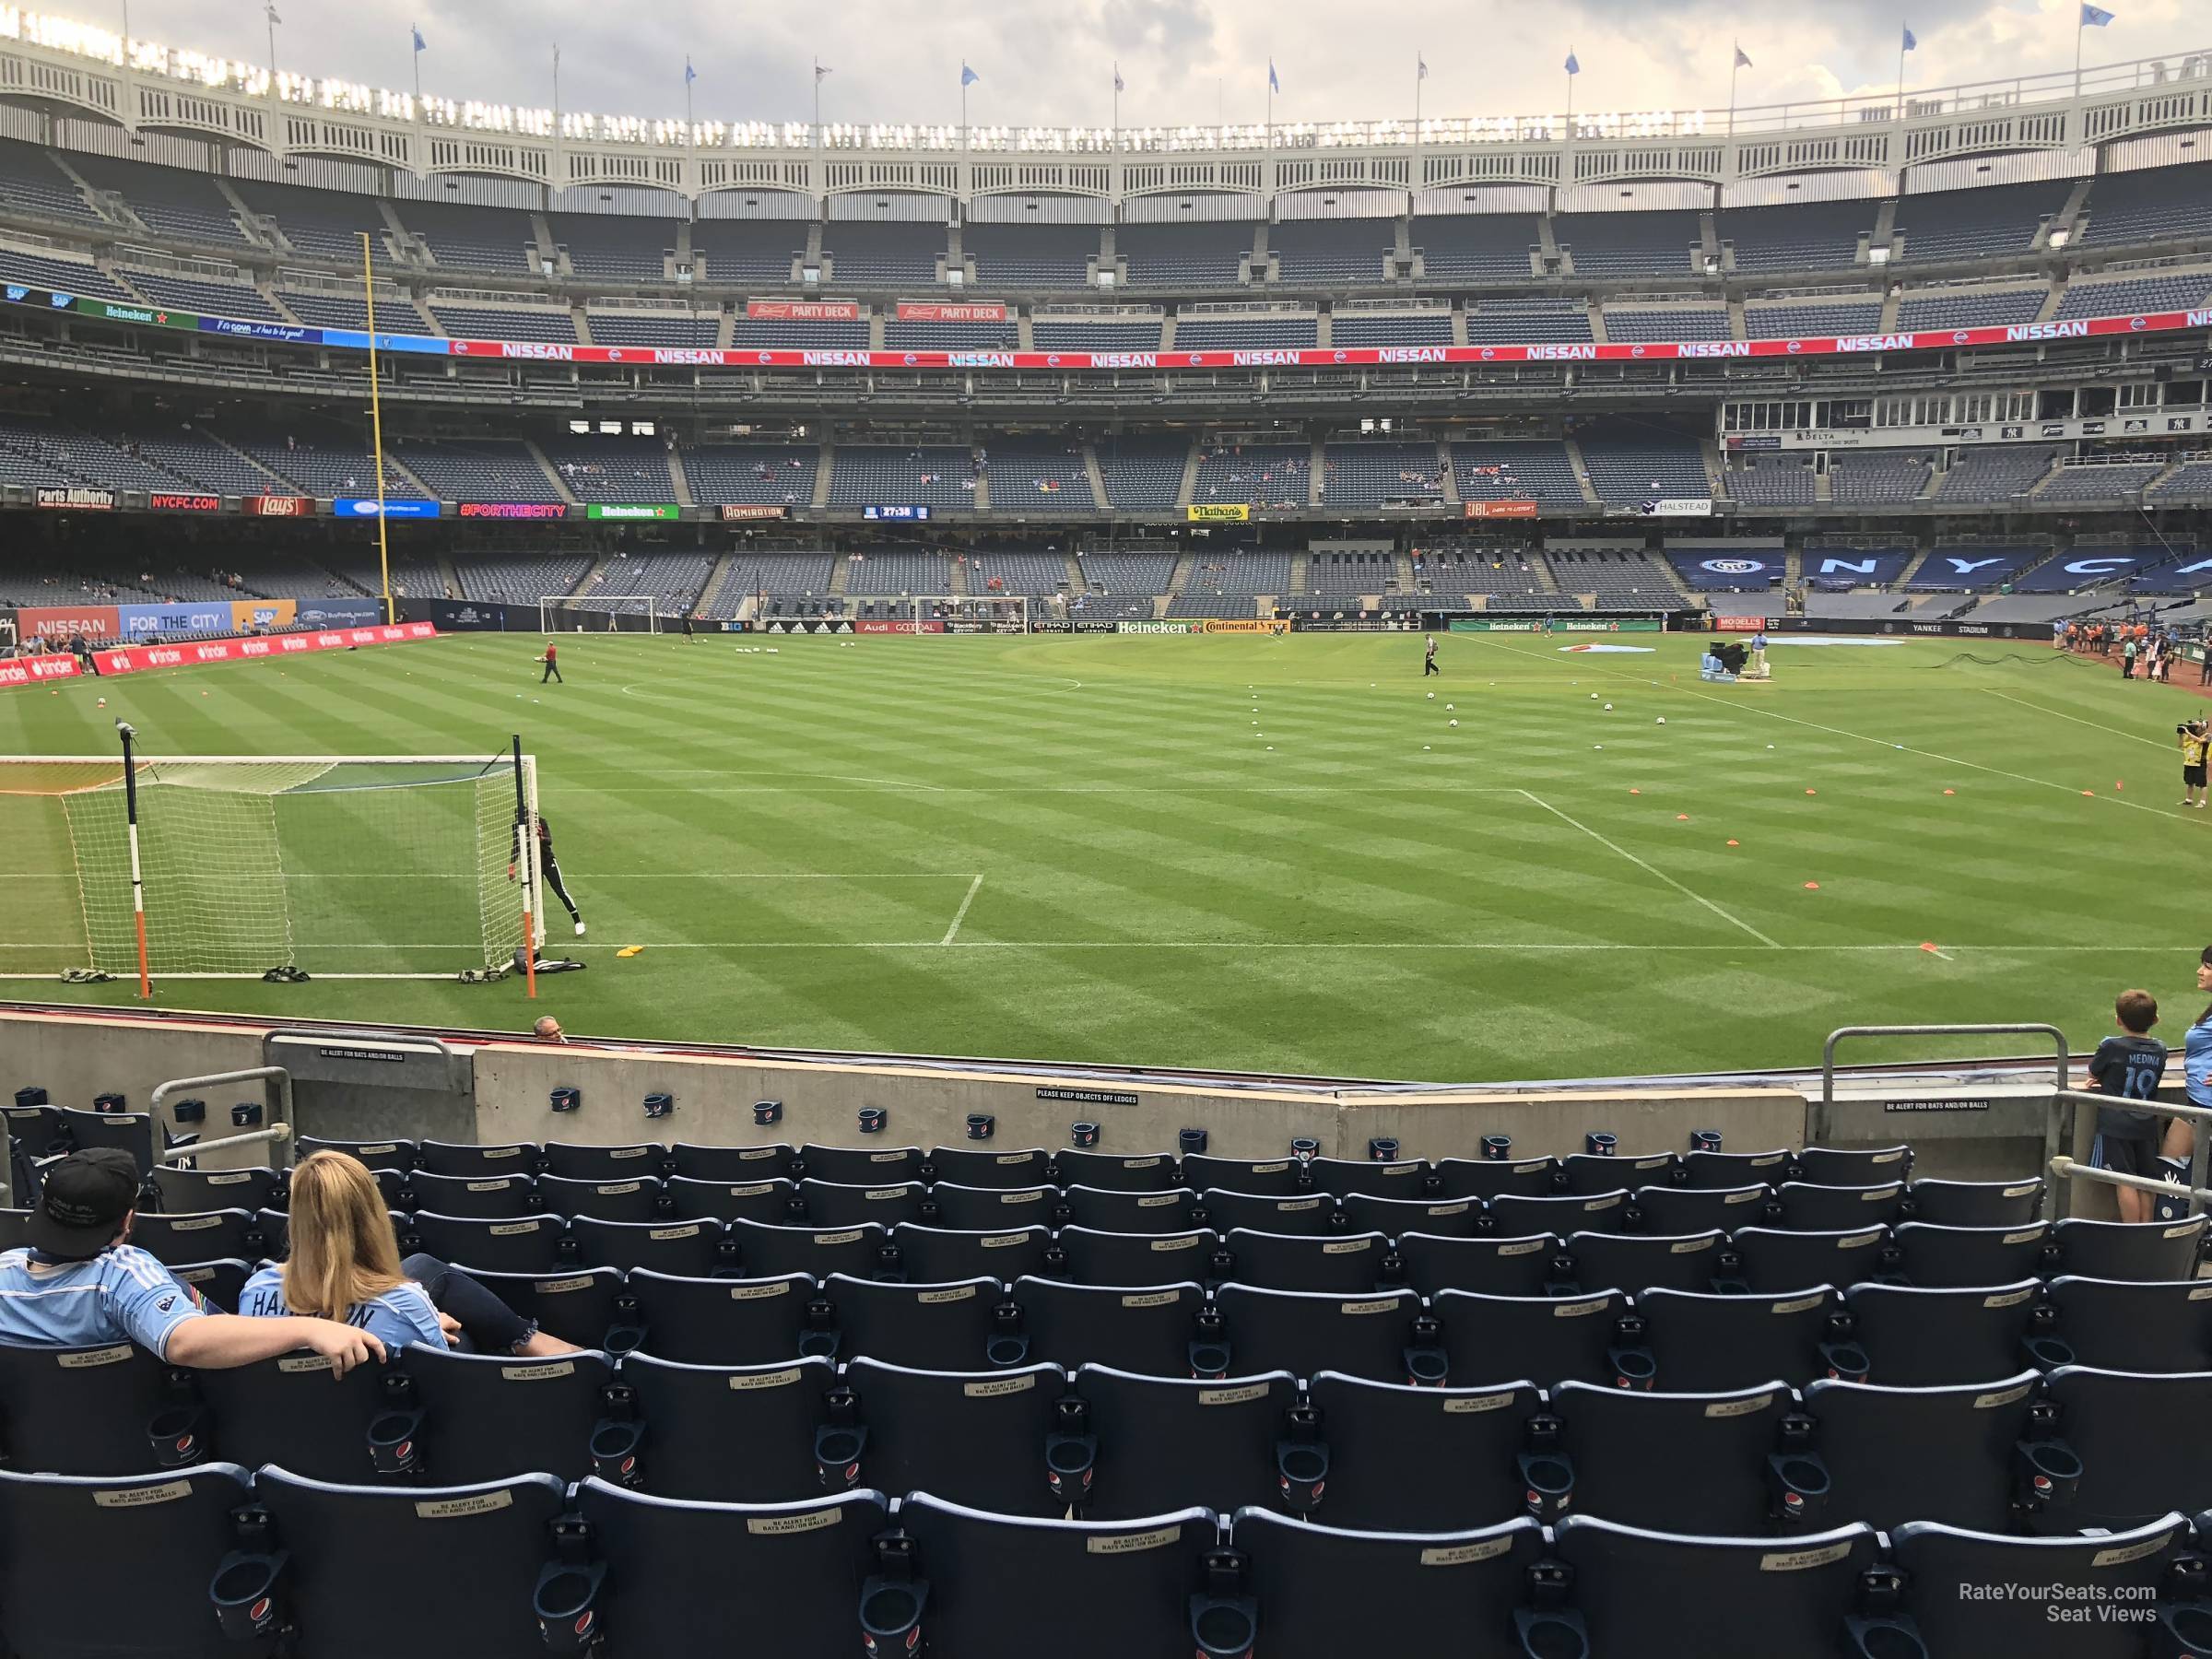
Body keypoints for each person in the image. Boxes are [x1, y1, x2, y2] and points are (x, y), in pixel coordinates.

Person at [0, 1148, 382, 1375]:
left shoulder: (5, 1270)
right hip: (135, 1450)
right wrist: (308, 1331)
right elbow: (183, 1342)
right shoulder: (120, 1275)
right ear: (128, 1220)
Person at [240, 1151, 579, 1359]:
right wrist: (429, 1321)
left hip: (289, 1430)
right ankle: (528, 1342)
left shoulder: (255, 1290)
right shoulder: (404, 1303)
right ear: (373, 1217)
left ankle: (526, 1339)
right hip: (382, 1419)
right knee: (457, 1330)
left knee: (420, 1266)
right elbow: (446, 1380)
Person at [2087, 989, 2170, 1224]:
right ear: (2155, 1020)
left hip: (2116, 1124)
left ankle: (2131, 1233)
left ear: (2118, 1020)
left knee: (2124, 1180)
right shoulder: (2161, 1049)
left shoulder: (2111, 1045)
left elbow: (2094, 1070)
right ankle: (2146, 1231)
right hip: (2146, 1124)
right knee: (2146, 1180)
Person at [2159, 948, 2212, 1182]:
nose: (2200, 972)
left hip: (2206, 1109)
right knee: (2168, 1176)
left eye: (2207, 967)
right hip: (2196, 1107)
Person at [511, 812, 585, 936]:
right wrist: (511, 864)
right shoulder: (516, 827)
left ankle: (578, 922)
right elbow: (517, 845)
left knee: (560, 891)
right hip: (532, 865)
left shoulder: (540, 822)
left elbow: (549, 841)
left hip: (547, 861)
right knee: (535, 896)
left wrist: (541, 837)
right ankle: (539, 928)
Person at [2182, 718, 2208, 810]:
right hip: (2189, 761)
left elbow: (2200, 741)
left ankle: (2202, 801)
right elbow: (2180, 745)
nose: (2195, 729)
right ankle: (2189, 799)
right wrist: (2181, 734)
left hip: (2200, 762)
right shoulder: (2191, 736)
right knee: (2189, 782)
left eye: (2197, 727)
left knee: (2202, 783)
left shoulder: (2208, 735)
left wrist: (2188, 733)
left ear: (2203, 728)